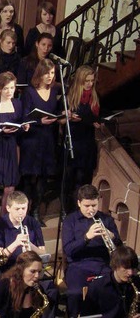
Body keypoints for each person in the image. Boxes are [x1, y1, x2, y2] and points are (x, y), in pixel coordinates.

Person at [62, 184, 122, 318]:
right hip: (78, 266)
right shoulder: (70, 221)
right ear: (79, 203)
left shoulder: (106, 219)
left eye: (94, 205)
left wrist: (112, 237)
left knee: (115, 290)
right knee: (76, 293)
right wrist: (86, 237)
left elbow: (118, 248)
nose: (91, 210)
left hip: (104, 265)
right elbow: (68, 250)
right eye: (87, 206)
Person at [0, 72, 29, 224]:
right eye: (6, 88)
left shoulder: (17, 104)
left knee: (9, 186)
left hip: (10, 147)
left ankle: (2, 220)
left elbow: (20, 125)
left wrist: (24, 127)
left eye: (12, 88)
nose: (10, 91)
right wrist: (2, 131)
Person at [19, 59, 61, 222]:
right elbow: (25, 116)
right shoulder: (30, 91)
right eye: (47, 73)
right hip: (32, 138)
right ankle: (26, 210)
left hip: (48, 138)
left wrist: (61, 117)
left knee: (44, 175)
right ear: (40, 74)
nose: (50, 76)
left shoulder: (55, 90)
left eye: (52, 73)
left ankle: (36, 210)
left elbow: (56, 112)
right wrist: (38, 121)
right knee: (29, 176)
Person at [64, 66, 101, 213]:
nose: (90, 84)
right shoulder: (71, 96)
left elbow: (95, 117)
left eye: (92, 81)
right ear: (80, 80)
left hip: (87, 142)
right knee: (70, 179)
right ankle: (67, 210)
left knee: (83, 179)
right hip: (74, 141)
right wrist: (69, 117)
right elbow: (61, 119)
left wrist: (98, 122)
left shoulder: (95, 96)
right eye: (87, 81)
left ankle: (80, 211)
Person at [0, 251, 51, 318]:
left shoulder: (38, 290)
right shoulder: (2, 286)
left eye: (39, 272)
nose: (37, 276)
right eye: (33, 271)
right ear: (21, 270)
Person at [0, 191, 46, 275]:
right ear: (8, 208)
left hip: (29, 268)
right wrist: (16, 243)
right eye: (17, 209)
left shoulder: (33, 223)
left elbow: (43, 254)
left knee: (50, 286)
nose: (21, 212)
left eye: (23, 208)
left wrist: (30, 245)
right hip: (8, 269)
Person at [83, 246, 140, 318]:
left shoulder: (137, 283)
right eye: (126, 268)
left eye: (132, 268)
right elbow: (86, 315)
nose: (130, 273)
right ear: (115, 265)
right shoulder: (97, 287)